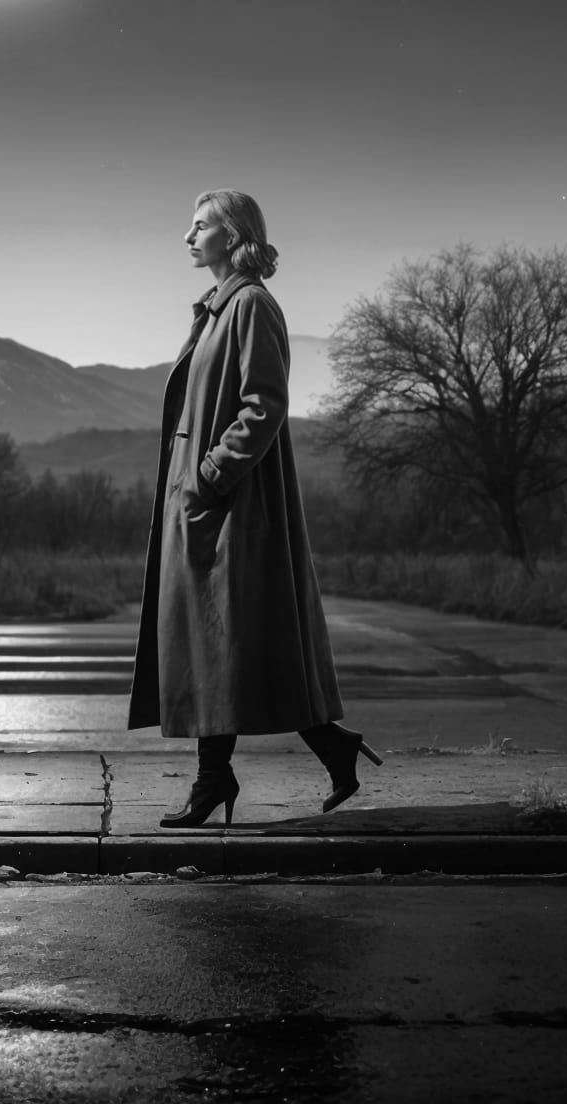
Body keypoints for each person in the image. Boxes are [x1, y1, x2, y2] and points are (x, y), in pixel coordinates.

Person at [126, 188, 381, 826]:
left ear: (232, 234)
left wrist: (212, 473)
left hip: (232, 505)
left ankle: (231, 776)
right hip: (207, 506)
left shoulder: (251, 306)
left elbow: (264, 404)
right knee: (221, 646)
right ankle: (253, 769)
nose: (188, 236)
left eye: (200, 225)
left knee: (234, 641)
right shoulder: (219, 307)